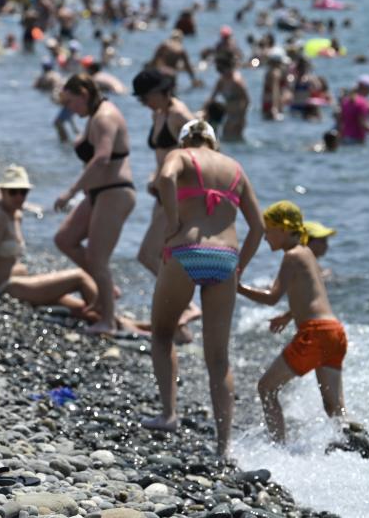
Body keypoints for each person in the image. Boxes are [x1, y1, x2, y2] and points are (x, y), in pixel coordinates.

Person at [144, 119, 264, 457]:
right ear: (214, 141)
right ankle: (223, 446)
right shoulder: (235, 168)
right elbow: (259, 226)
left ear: (185, 141)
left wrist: (172, 222)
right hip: (225, 258)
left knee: (163, 333)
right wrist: (241, 267)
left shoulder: (181, 157)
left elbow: (164, 178)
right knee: (218, 358)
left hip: (185, 252)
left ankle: (169, 414)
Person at [237, 201, 347, 444]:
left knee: (266, 388)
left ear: (284, 229)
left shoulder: (292, 256)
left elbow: (272, 297)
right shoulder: (307, 253)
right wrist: (289, 316)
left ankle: (278, 448)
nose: (265, 238)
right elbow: (312, 294)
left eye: (268, 231)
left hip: (316, 333)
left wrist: (237, 286)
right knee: (334, 410)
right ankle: (352, 446)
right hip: (335, 331)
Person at [53, 74, 136, 335]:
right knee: (65, 239)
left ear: (84, 94)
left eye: (71, 102)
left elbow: (102, 158)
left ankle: (108, 320)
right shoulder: (93, 116)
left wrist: (70, 192)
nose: (69, 109)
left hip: (115, 192)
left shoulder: (104, 117)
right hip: (98, 193)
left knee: (97, 259)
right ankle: (106, 290)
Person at [132, 70, 201, 343]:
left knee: (147, 255)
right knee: (163, 257)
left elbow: (203, 157)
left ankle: (186, 306)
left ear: (161, 91)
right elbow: (163, 157)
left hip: (177, 196)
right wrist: (155, 177)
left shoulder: (179, 116)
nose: (143, 104)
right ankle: (181, 330)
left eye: (145, 98)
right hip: (162, 193)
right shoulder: (158, 113)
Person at [0, 165, 97, 319]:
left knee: (81, 308)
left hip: (17, 280)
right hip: (5, 286)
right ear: (2, 192)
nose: (19, 197)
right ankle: (110, 320)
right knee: (80, 277)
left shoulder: (16, 215)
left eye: (23, 192)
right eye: (13, 192)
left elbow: (8, 258)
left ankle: (123, 323)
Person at [202, 50, 249, 142]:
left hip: (237, 117)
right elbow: (212, 97)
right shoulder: (222, 80)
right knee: (224, 139)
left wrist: (240, 119)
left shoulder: (237, 82)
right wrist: (202, 111)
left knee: (232, 140)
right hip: (228, 116)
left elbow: (247, 100)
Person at [262, 47, 289, 121]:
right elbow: (275, 91)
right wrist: (275, 108)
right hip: (274, 106)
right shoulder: (275, 73)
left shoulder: (269, 72)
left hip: (267, 105)